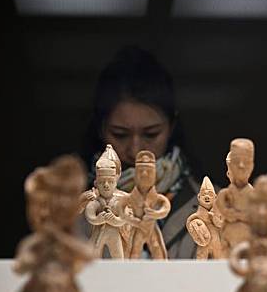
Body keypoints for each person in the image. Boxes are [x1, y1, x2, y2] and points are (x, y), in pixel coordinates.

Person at [82, 46, 200, 258]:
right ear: (100, 128)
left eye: (151, 134)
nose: (135, 150)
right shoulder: (69, 208)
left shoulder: (209, 202)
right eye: (120, 134)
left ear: (171, 126)